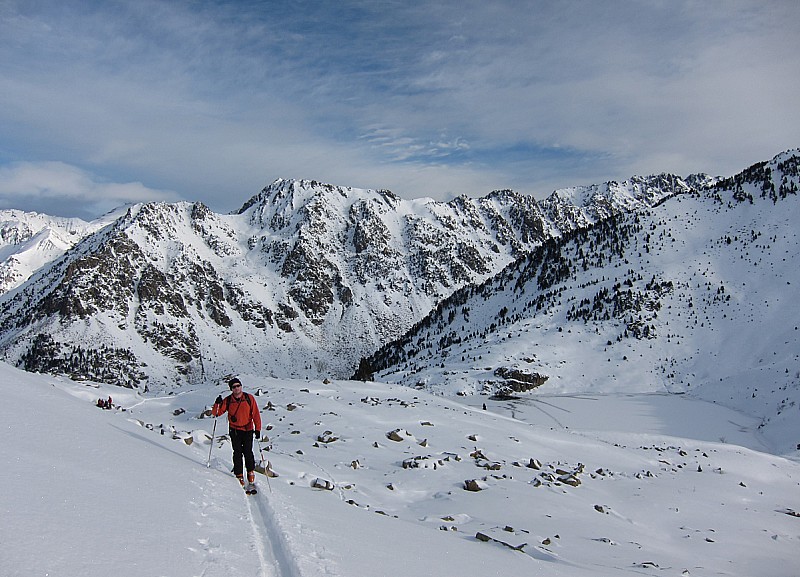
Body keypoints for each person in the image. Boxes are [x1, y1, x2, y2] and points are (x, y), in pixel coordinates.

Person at [212, 377, 262, 491]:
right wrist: (217, 404)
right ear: (231, 389)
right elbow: (216, 413)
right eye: (234, 387)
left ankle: (250, 472)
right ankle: (239, 474)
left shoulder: (249, 398)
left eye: (238, 386)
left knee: (248, 452)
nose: (236, 388)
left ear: (241, 386)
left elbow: (256, 414)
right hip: (234, 430)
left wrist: (258, 429)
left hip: (248, 429)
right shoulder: (228, 400)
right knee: (237, 452)